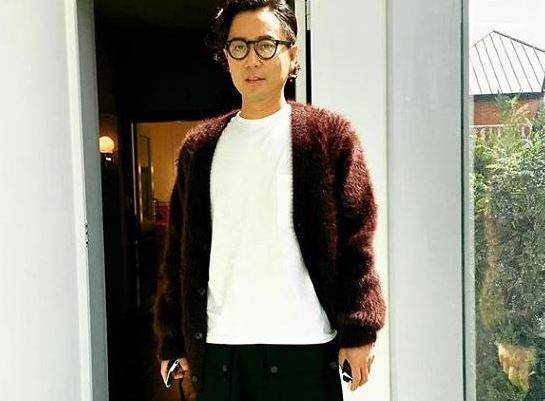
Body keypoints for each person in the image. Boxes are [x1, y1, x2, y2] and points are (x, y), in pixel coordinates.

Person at [152, 1, 386, 400]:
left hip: (305, 346)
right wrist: (173, 339)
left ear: (291, 54)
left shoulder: (330, 136)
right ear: (226, 56)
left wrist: (360, 329)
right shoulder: (200, 148)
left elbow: (356, 239)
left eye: (265, 45)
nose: (251, 60)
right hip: (221, 349)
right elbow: (179, 251)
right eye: (238, 46)